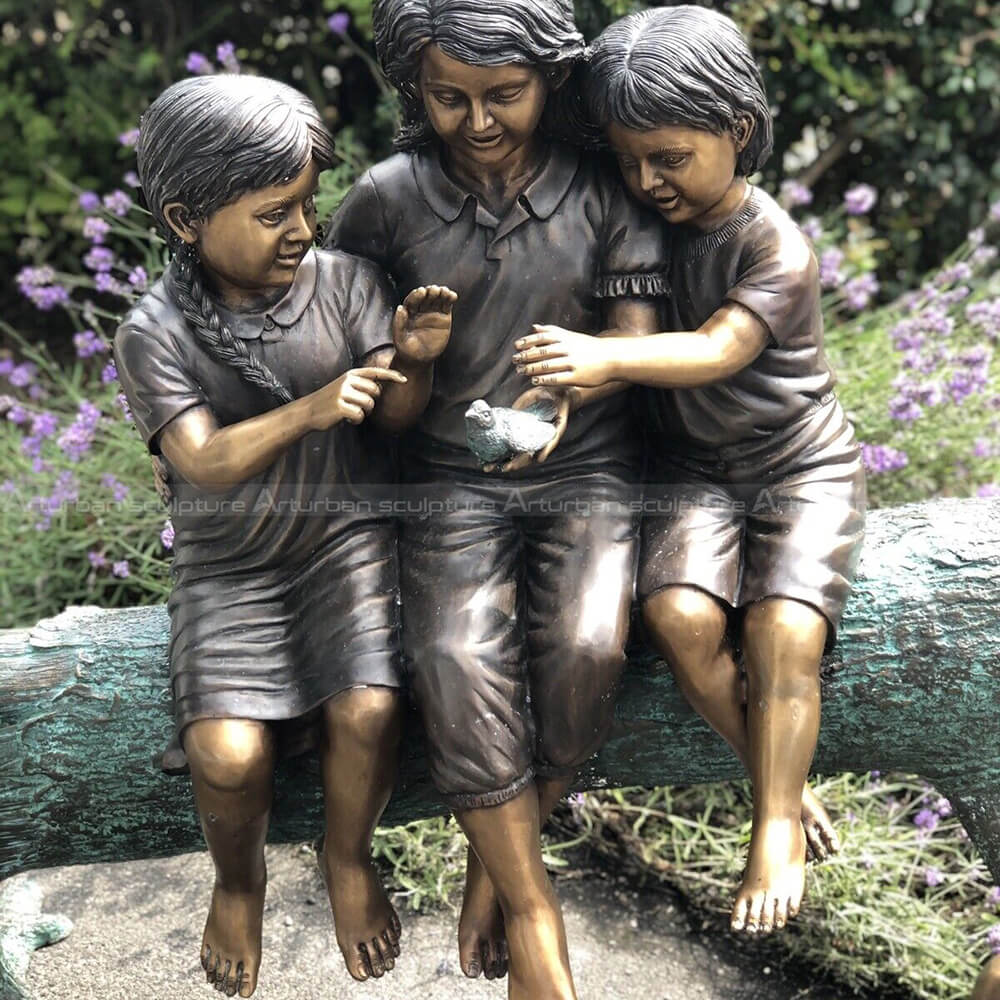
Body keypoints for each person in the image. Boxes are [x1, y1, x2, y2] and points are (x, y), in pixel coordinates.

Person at [325, 1, 667, 995]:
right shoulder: (385, 201)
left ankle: (494, 862)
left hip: (586, 464)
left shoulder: (604, 191)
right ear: (414, 92)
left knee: (593, 641)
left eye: (503, 95)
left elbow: (635, 341)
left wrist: (570, 392)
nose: (477, 121)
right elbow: (360, 375)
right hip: (446, 479)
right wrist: (406, 362)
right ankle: (534, 914)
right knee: (449, 651)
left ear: (549, 83)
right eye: (448, 98)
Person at [513, 5, 866, 938]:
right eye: (630, 160)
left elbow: (716, 350)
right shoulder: (637, 218)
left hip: (798, 461)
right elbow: (627, 326)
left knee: (785, 630)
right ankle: (773, 775)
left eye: (669, 156)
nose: (647, 180)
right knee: (675, 615)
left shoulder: (773, 245)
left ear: (738, 132)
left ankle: (777, 821)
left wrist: (603, 361)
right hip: (693, 470)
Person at [114, 74, 455, 997]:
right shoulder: (155, 330)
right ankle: (238, 881)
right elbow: (203, 460)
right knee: (226, 755)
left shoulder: (344, 287)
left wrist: (411, 364)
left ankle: (347, 859)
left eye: (308, 203)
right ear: (187, 218)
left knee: (370, 709)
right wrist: (309, 409)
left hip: (345, 541)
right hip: (229, 570)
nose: (303, 228)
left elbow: (390, 420)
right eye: (274, 212)